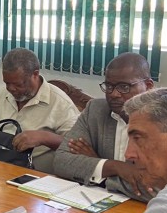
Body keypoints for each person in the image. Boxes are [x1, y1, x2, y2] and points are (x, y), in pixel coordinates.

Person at [52, 52, 156, 201]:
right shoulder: (95, 110)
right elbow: (61, 161)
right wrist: (115, 167)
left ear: (148, 86)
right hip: (94, 205)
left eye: (124, 87)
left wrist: (98, 169)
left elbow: (156, 190)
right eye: (109, 86)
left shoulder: (163, 122)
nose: (113, 94)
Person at [0, 48, 79, 173]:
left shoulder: (60, 103)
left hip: (35, 175)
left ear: (35, 74)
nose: (11, 89)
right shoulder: (2, 95)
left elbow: (76, 147)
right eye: (7, 83)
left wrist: (45, 137)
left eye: (18, 84)